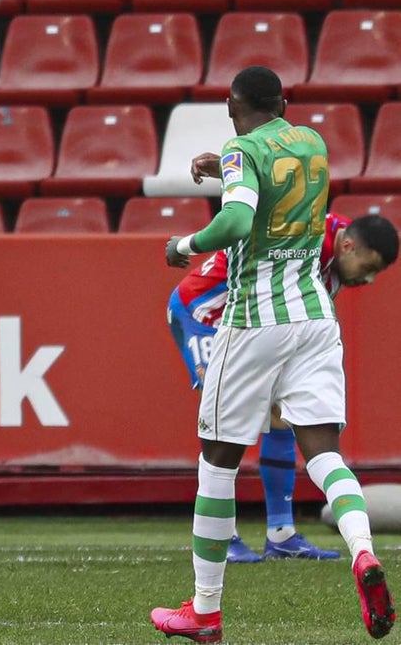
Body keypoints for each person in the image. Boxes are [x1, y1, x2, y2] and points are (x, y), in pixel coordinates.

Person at [153, 65, 396, 642]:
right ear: (283, 103)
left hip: (253, 320)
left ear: (231, 105)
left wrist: (183, 245)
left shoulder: (241, 147)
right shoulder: (311, 141)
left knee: (217, 461)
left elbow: (237, 219)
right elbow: (278, 179)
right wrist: (232, 164)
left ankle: (205, 612)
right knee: (325, 454)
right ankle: (363, 553)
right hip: (315, 317)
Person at [168, 211, 398, 564]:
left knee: (279, 417)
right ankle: (223, 536)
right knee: (223, 426)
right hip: (203, 314)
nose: (367, 279)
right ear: (348, 245)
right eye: (368, 267)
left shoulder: (333, 255)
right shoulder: (306, 242)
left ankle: (281, 534)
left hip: (253, 325)